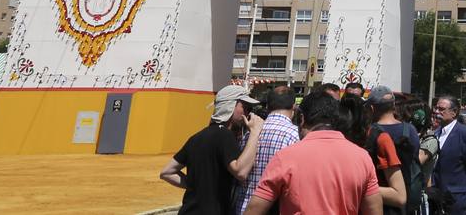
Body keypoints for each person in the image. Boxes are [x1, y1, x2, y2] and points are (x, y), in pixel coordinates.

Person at [244, 89, 382, 215]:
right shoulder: (362, 157)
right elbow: (374, 211)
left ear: (302, 118)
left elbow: (254, 210)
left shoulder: (286, 157)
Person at [159, 84, 264, 215]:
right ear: (229, 105)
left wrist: (197, 186)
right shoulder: (225, 135)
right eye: (245, 107)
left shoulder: (196, 137)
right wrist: (255, 132)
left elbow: (167, 172)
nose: (248, 113)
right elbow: (241, 171)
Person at [233, 86, 299, 214]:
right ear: (294, 106)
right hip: (275, 209)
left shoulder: (250, 133)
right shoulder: (295, 136)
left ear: (268, 106)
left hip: (244, 207)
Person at [370, 85, 429, 215]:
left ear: (372, 108)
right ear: (393, 105)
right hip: (406, 196)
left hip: (378, 198)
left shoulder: (370, 133)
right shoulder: (410, 130)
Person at [431, 94, 466, 215]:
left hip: (459, 202)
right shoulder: (435, 134)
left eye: (441, 109)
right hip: (437, 201)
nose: (436, 112)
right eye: (435, 108)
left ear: (454, 112)